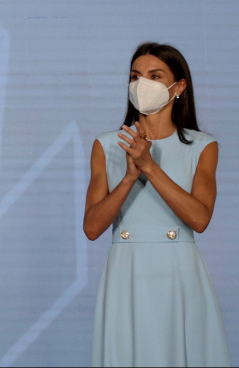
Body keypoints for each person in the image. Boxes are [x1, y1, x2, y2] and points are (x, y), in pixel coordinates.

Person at [84, 42, 230, 367]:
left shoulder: (202, 146)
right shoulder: (106, 146)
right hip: (126, 273)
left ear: (179, 87)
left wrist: (149, 166)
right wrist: (127, 178)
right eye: (135, 76)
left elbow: (200, 219)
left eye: (154, 75)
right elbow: (92, 228)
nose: (141, 84)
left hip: (178, 275)